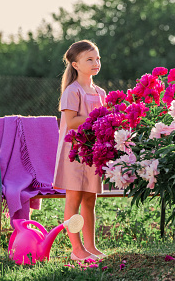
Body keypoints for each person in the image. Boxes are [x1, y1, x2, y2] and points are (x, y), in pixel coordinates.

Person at [53, 40, 107, 261]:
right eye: (89, 59)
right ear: (75, 64)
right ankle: (77, 249)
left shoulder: (100, 91)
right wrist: (99, 116)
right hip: (74, 152)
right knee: (73, 199)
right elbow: (72, 121)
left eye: (97, 59)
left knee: (90, 200)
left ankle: (91, 247)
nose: (96, 63)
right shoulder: (72, 91)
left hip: (93, 152)